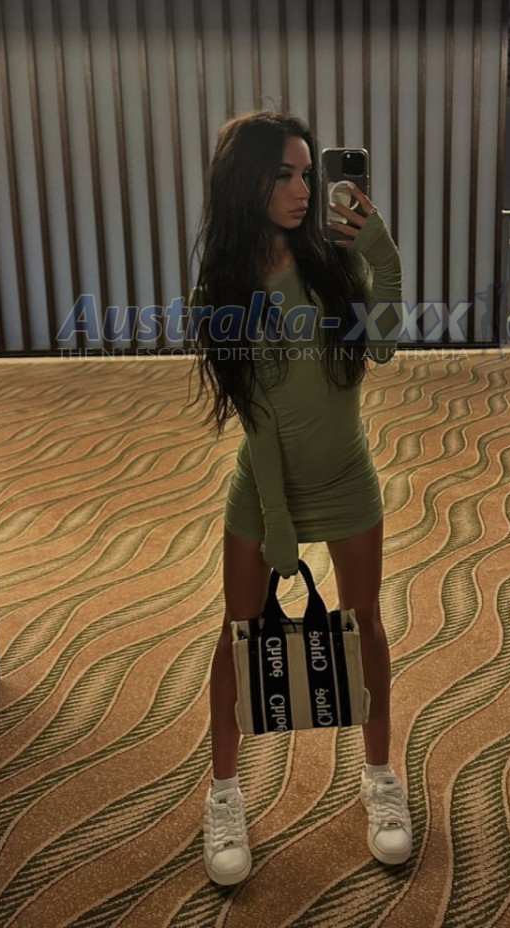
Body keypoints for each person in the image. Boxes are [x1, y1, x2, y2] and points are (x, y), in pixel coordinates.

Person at [186, 110, 411, 885]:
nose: (303, 188)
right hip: (265, 485)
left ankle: (379, 778)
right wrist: (277, 518)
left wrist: (381, 255)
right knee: (239, 634)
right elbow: (257, 415)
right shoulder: (222, 288)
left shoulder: (331, 261)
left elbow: (383, 344)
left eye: (308, 173)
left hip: (347, 477)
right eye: (284, 174)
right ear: (245, 180)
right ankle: (224, 793)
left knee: (365, 623)